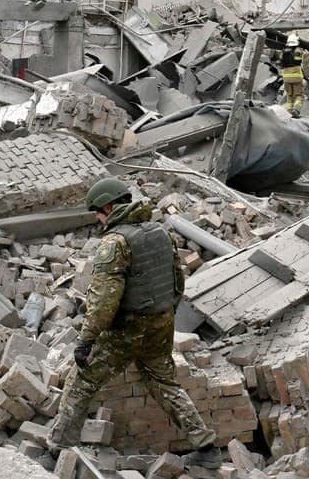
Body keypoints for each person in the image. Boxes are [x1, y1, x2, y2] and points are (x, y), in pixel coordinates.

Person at [48, 177, 218, 464]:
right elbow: (178, 283)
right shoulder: (160, 232)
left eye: (97, 212)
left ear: (109, 207)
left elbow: (104, 302)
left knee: (82, 380)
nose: (98, 219)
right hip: (161, 323)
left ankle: (57, 449)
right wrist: (162, 315)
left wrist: (86, 340)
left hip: (125, 331)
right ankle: (207, 447)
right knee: (164, 382)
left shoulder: (115, 243)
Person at [277, 34, 305, 117]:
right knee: (299, 95)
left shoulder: (283, 51)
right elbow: (300, 61)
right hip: (296, 77)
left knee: (289, 95)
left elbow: (280, 62)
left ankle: (289, 111)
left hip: (286, 77)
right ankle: (296, 110)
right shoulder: (298, 50)